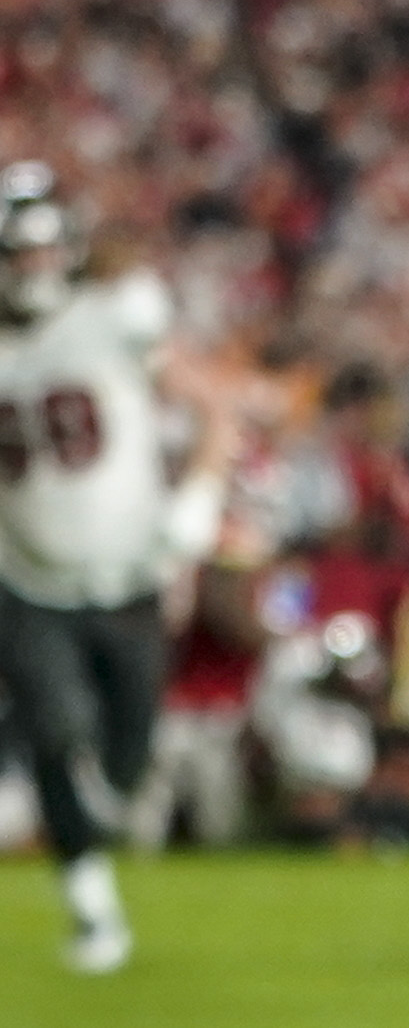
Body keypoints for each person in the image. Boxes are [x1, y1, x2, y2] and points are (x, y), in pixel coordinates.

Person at [0, 162, 215, 974]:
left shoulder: (112, 318)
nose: (34, 271)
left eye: (47, 254)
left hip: (127, 579)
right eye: (20, 255)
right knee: (57, 735)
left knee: (128, 757)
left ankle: (100, 829)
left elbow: (213, 406)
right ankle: (92, 910)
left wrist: (197, 495)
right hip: (26, 580)